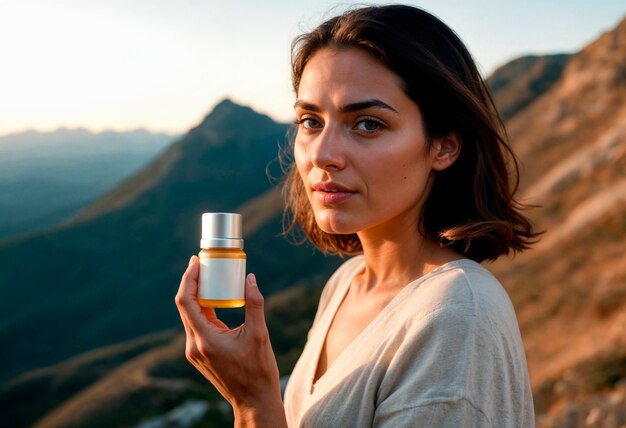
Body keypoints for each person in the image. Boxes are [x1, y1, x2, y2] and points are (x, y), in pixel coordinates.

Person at [175, 5, 539, 427]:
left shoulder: (455, 318)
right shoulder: (346, 284)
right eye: (311, 121)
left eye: (367, 124)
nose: (323, 155)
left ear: (443, 146)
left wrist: (253, 402)